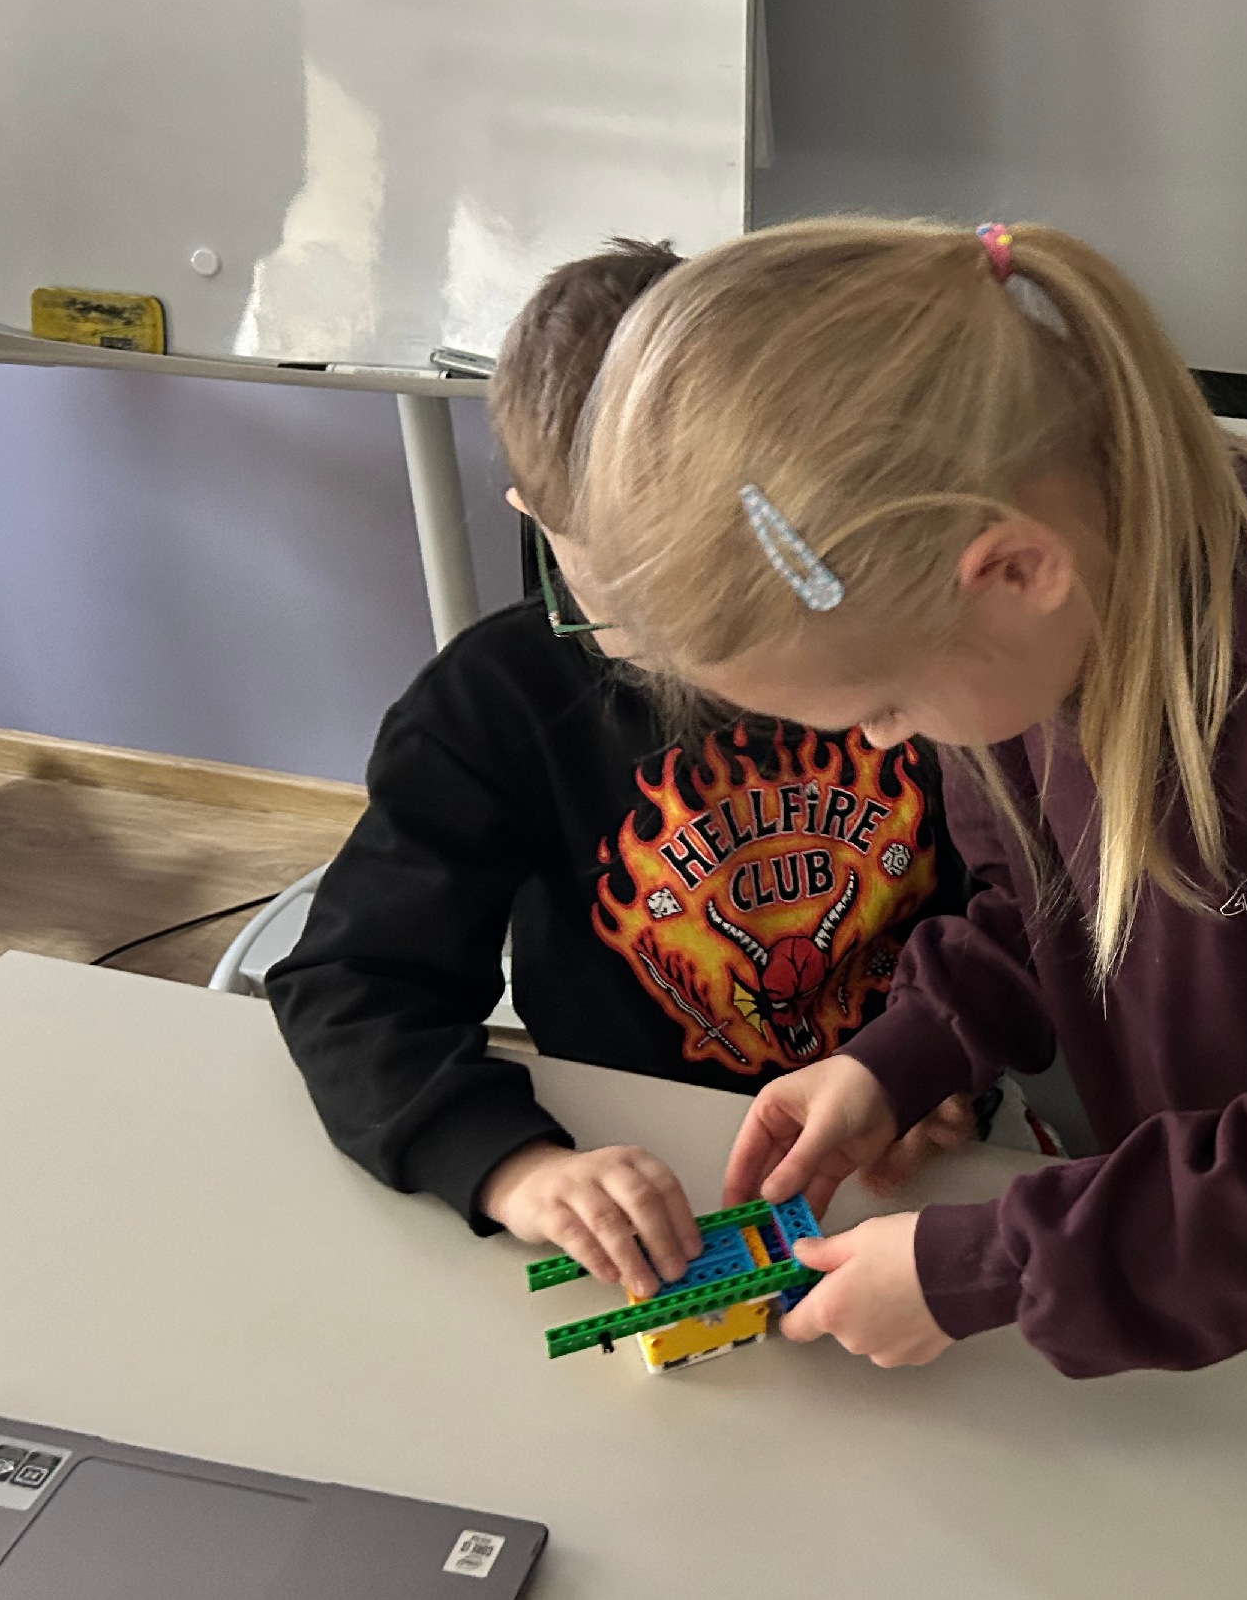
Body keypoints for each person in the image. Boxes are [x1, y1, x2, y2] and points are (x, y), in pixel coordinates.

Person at [567, 216, 1247, 1377]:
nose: (884, 741)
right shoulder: (1010, 626)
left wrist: (991, 1265)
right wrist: (902, 1054)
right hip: (1213, 1263)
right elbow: (1032, 903)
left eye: (883, 704)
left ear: (1014, 568)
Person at [267, 240, 978, 1305]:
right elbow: (353, 984)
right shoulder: (493, 703)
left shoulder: (925, 657)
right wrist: (512, 1165)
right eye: (635, 607)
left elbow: (1023, 913)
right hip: (648, 1148)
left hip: (906, 1159)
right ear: (536, 519)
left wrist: (937, 1056)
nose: (695, 655)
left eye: (717, 592)